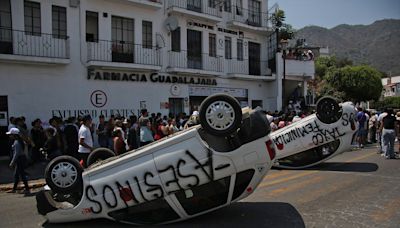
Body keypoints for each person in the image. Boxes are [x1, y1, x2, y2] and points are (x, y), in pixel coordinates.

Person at [7, 128, 30, 194]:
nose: (10, 136)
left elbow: (16, 154)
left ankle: (27, 189)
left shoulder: (17, 142)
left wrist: (12, 162)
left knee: (21, 174)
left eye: (11, 135)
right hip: (21, 159)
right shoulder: (20, 141)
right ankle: (14, 189)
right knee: (17, 175)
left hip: (20, 159)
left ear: (14, 135)